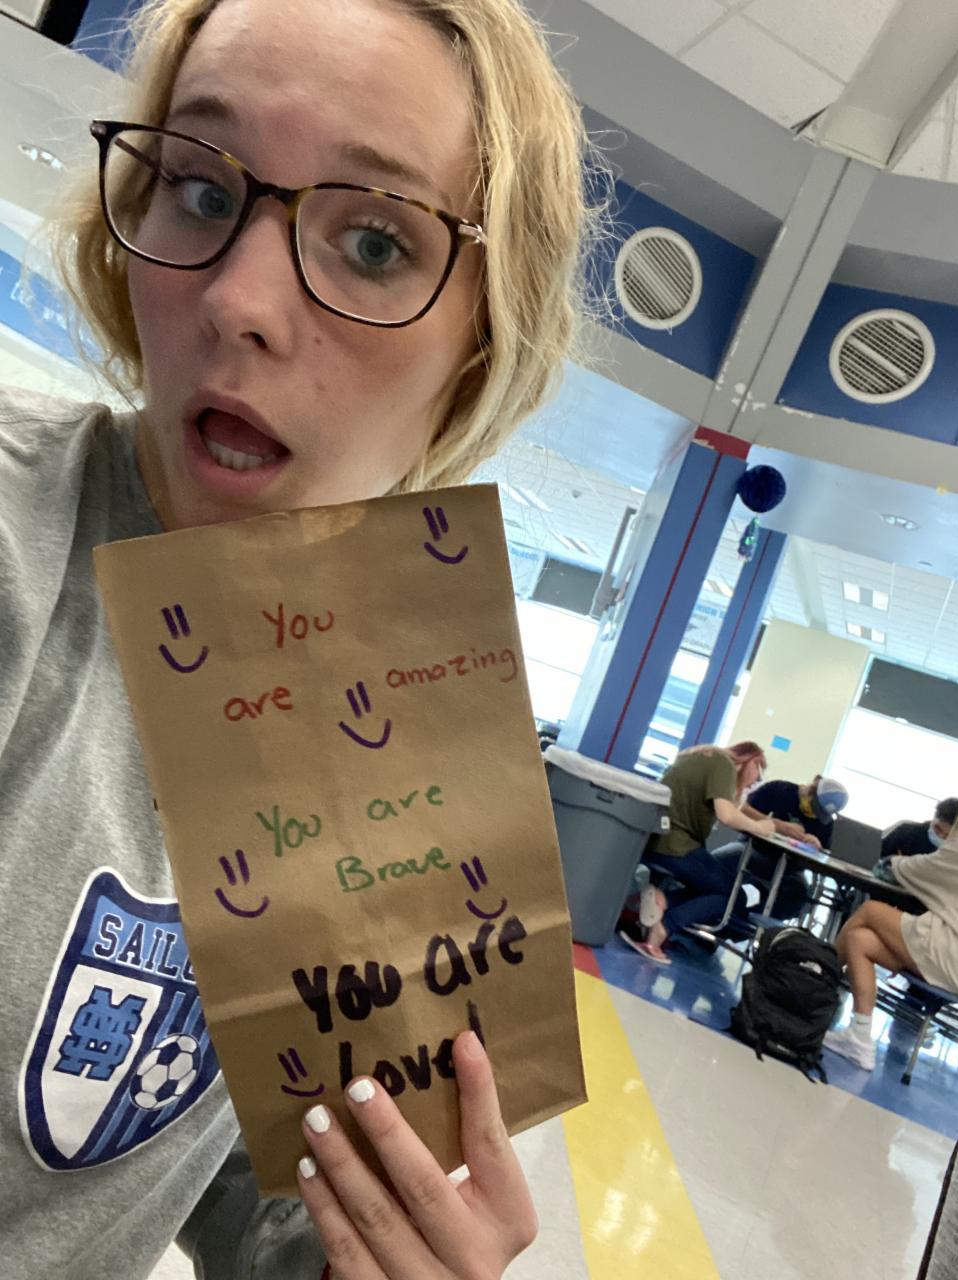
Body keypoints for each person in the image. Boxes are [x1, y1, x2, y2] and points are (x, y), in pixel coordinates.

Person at [2, 1, 601, 1276]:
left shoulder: (401, 747)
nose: (240, 302)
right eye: (200, 190)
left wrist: (377, 1249)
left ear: (482, 339)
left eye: (375, 241)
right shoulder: (20, 544)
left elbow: (241, 1185)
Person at [618, 741, 776, 963]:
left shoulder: (700, 756)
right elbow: (726, 814)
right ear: (751, 761)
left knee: (715, 888)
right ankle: (663, 926)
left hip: (653, 839)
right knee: (734, 897)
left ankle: (661, 900)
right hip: (676, 845)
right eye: (757, 777)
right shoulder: (724, 764)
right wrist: (760, 827)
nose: (753, 784)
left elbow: (730, 808)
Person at [823, 837, 958, 1071]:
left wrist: (897, 862)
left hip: (949, 954)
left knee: (869, 910)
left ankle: (815, 983)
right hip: (949, 958)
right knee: (860, 940)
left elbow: (901, 870)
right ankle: (859, 1037)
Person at [713, 775, 849, 923]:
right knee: (722, 861)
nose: (814, 815)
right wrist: (776, 825)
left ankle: (749, 922)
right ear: (810, 791)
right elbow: (743, 808)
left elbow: (826, 854)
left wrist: (817, 845)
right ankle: (719, 910)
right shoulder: (779, 790)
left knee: (797, 898)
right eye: (814, 808)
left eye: (819, 814)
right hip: (754, 849)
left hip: (791, 870)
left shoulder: (826, 825)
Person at [878, 797, 958, 862]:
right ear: (934, 816)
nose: (940, 836)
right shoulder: (906, 831)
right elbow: (876, 856)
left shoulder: (954, 854)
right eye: (938, 829)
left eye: (947, 836)